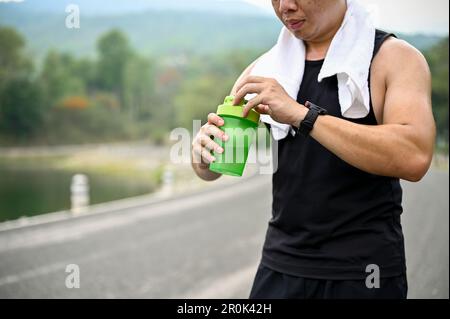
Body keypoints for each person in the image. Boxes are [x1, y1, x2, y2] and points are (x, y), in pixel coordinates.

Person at [191, 0, 436, 299]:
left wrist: (301, 115)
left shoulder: (394, 59)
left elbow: (414, 156)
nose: (285, 6)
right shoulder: (266, 69)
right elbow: (215, 168)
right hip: (281, 266)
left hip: (364, 270)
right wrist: (203, 157)